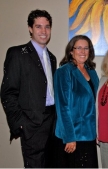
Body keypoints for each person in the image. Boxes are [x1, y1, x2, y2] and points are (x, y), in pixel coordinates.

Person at [0, 9, 57, 168]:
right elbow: (8, 93)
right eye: (38, 26)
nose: (43, 31)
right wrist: (21, 123)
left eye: (47, 26)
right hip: (32, 123)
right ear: (30, 28)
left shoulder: (52, 58)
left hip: (51, 122)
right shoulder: (17, 54)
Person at [53, 35, 99, 168]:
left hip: (89, 135)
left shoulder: (92, 72)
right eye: (78, 48)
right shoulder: (63, 72)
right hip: (73, 136)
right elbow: (63, 107)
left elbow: (95, 105)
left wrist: (97, 131)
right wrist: (70, 137)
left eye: (86, 48)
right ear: (71, 51)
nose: (83, 51)